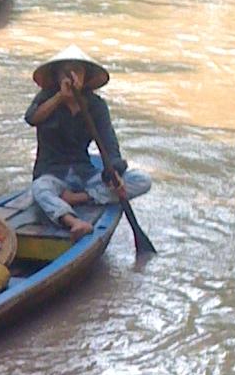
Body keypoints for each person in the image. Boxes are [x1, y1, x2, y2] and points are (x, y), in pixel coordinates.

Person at [25, 47, 151, 240]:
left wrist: (115, 171)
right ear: (57, 76)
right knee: (40, 189)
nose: (72, 76)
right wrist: (60, 98)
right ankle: (72, 221)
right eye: (66, 71)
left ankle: (81, 198)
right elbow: (32, 118)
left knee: (142, 180)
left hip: (84, 172)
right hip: (52, 173)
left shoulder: (95, 105)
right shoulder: (46, 98)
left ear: (85, 76)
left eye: (77, 70)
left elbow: (109, 144)